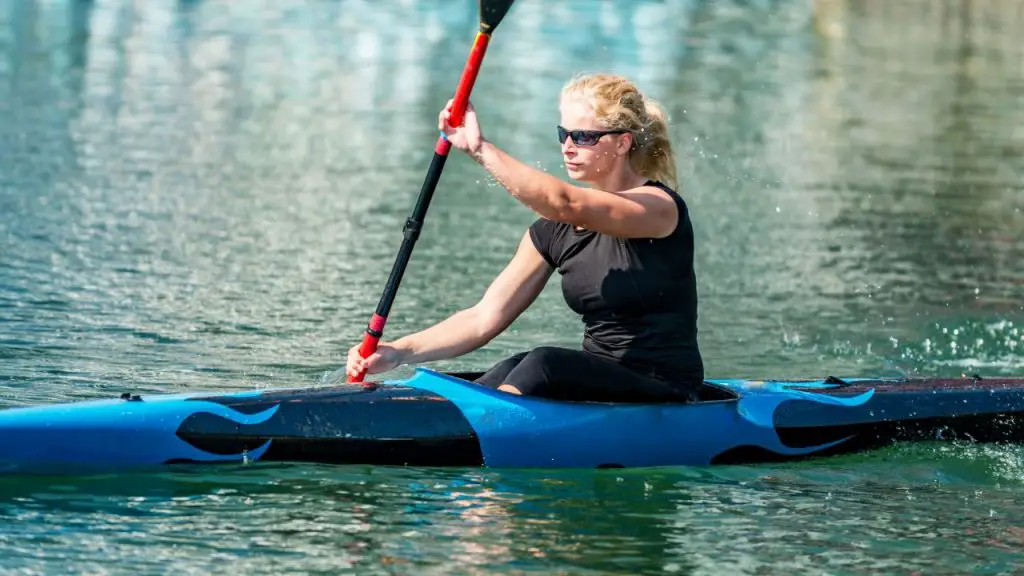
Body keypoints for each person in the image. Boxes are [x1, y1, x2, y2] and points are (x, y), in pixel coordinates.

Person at [346, 73, 704, 403]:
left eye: (583, 137)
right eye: (563, 134)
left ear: (623, 142)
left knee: (543, 363)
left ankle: (474, 440)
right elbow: (483, 317)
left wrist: (479, 149)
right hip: (601, 379)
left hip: (667, 387)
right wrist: (398, 351)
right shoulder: (554, 230)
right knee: (510, 367)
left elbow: (566, 202)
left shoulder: (658, 208)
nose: (567, 146)